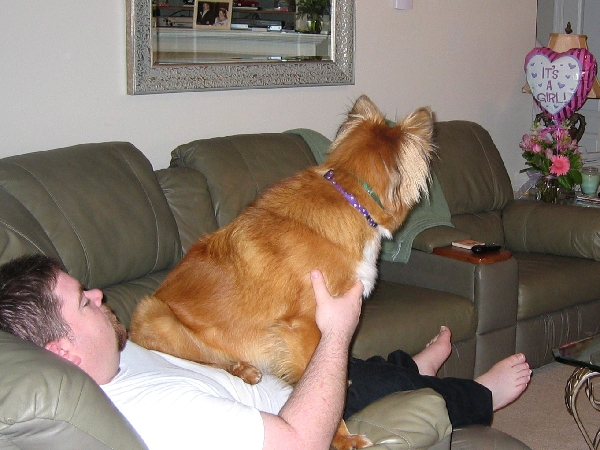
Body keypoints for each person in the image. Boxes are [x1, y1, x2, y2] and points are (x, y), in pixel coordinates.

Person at [0, 254, 531, 450]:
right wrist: (335, 332)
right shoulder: (154, 413)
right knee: (373, 379)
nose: (97, 294)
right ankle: (479, 395)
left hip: (275, 391)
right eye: (82, 302)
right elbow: (300, 441)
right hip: (309, 418)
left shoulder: (111, 360)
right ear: (62, 350)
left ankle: (412, 366)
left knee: (370, 371)